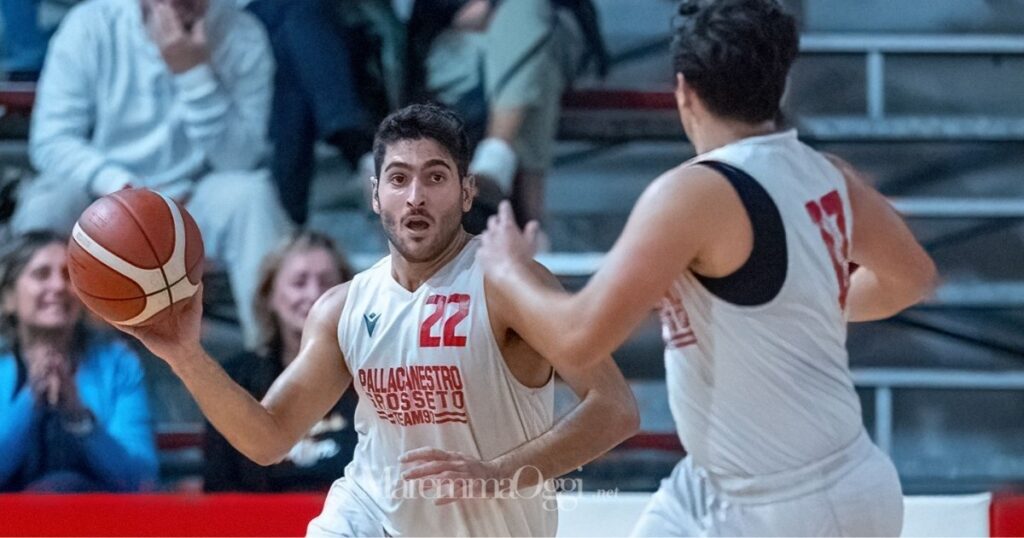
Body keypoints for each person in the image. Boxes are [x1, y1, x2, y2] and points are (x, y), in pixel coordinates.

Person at [476, 0, 938, 535]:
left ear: (683, 91)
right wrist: (803, 302)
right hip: (730, 483)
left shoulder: (691, 193)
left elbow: (579, 338)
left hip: (794, 505)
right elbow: (913, 278)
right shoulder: (828, 173)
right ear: (779, 86)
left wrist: (508, 268)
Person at [119, 103, 639, 536]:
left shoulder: (505, 282)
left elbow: (615, 409)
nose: (415, 196)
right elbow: (269, 438)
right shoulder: (343, 306)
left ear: (466, 191)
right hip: (367, 517)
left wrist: (497, 474)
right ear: (375, 195)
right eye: (399, 178)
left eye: (435, 177)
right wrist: (184, 354)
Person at [9, 0, 292, 349]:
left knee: (252, 195)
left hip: (191, 203)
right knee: (48, 200)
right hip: (102, 196)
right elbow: (51, 140)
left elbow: (240, 160)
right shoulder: (90, 25)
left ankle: (276, 360)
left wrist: (193, 74)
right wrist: (124, 188)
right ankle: (27, 353)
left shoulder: (243, 36)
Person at [405, 0, 608, 233]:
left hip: (554, 30)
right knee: (536, 68)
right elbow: (444, 15)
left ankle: (498, 149)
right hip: (461, 48)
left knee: (527, 13)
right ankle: (533, 224)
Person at [0, 231, 158, 492]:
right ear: (8, 299)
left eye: (68, 276)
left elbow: (141, 481)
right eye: (42, 275)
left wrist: (79, 418)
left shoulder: (118, 364)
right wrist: (30, 402)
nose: (59, 286)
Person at [204, 230, 359, 492]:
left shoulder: (371, 372)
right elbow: (221, 491)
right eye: (299, 283)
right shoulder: (233, 380)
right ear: (270, 296)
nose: (314, 295)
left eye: (326, 283)